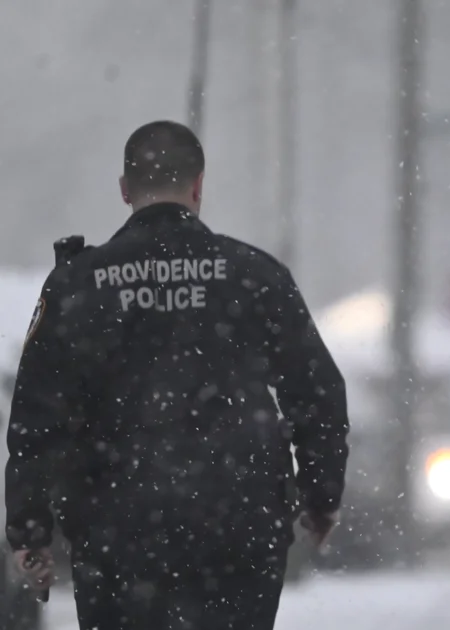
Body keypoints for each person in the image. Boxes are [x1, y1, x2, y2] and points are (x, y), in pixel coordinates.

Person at [4, 120, 350, 629]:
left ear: (125, 189)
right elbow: (317, 394)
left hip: (117, 533)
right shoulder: (254, 274)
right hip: (238, 528)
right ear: (198, 186)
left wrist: (29, 530)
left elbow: (38, 419)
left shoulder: (78, 285)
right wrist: (320, 497)